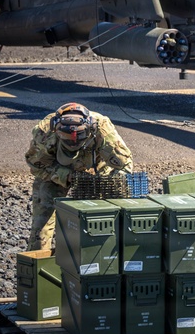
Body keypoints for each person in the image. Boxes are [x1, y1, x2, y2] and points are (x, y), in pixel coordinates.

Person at [24, 102, 133, 251]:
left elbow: (124, 165)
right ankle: (37, 266)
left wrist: (109, 184)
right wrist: (65, 176)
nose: (73, 142)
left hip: (96, 175)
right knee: (41, 227)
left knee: (98, 222)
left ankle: (100, 259)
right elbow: (36, 165)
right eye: (68, 140)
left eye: (78, 138)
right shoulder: (44, 133)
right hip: (54, 173)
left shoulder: (103, 129)